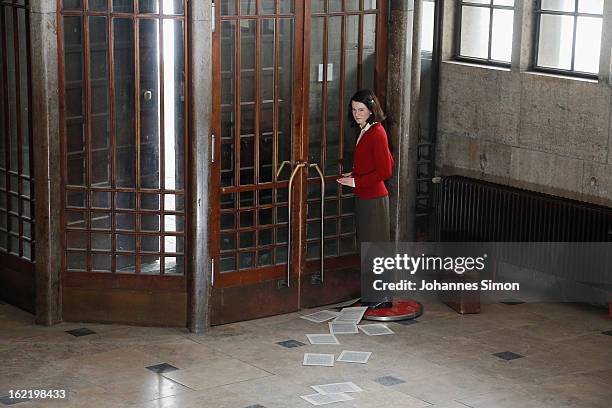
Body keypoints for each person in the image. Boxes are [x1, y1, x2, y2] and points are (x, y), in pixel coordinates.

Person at [337, 89, 393, 244]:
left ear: (371, 110)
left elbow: (386, 170)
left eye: (361, 109)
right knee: (367, 245)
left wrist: (356, 182)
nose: (356, 114)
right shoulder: (365, 129)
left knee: (375, 248)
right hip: (364, 196)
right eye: (354, 110)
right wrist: (354, 174)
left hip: (374, 198)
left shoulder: (377, 132)